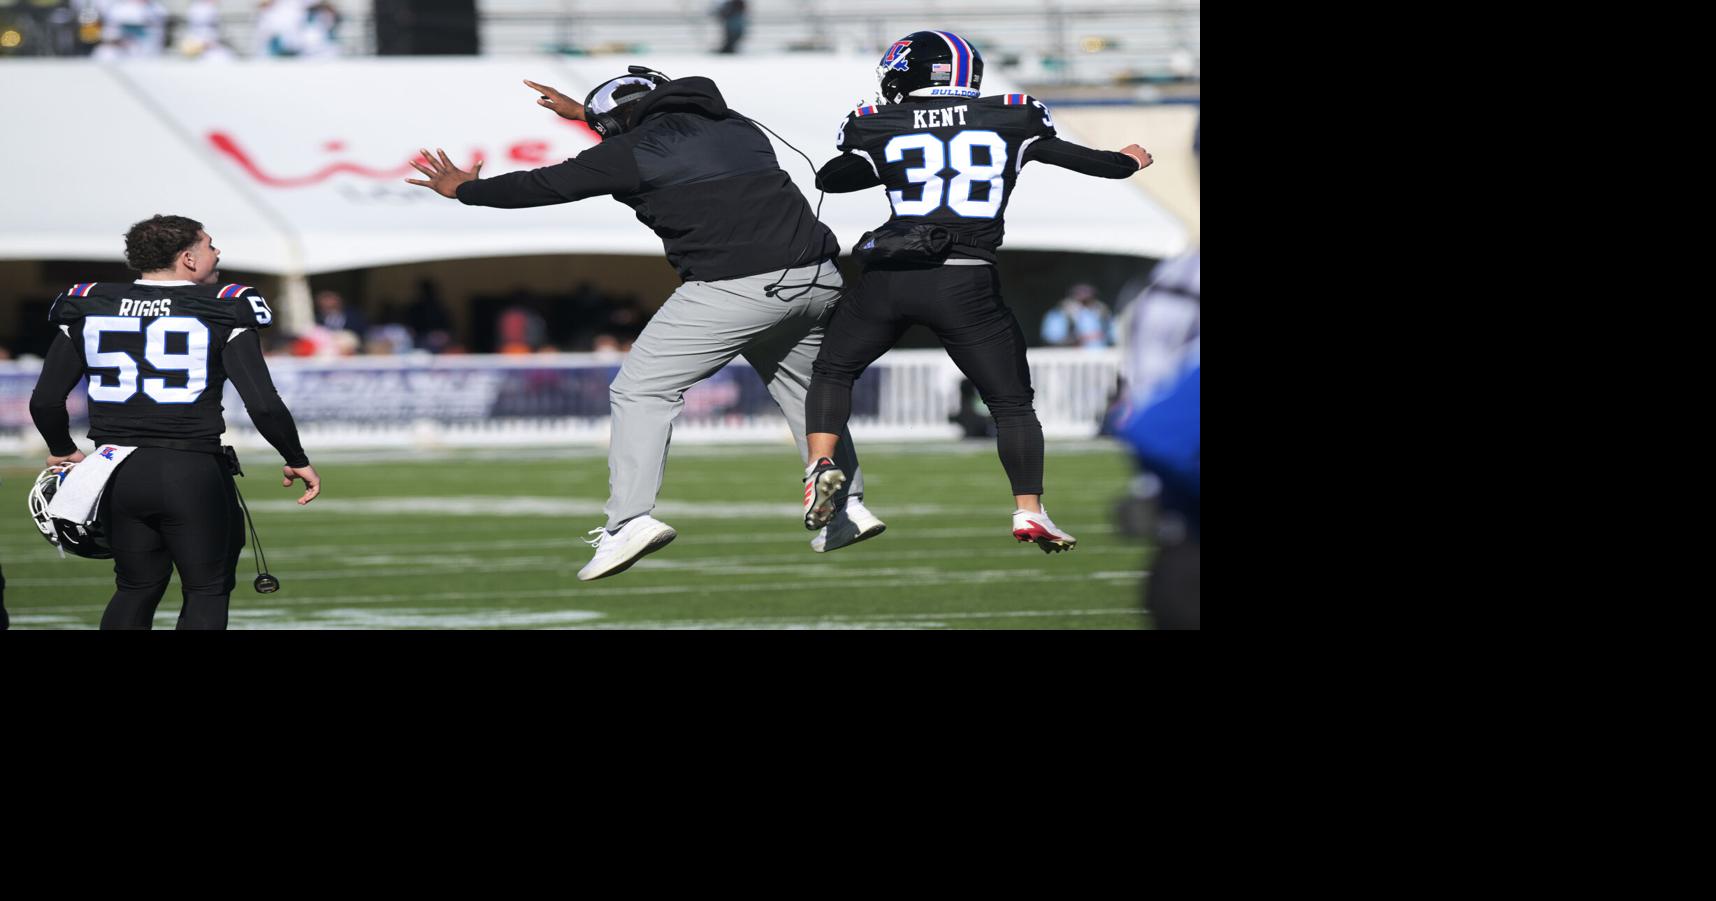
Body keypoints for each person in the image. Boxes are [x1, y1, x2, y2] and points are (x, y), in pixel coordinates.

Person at [406, 67, 882, 580]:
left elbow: (544, 184)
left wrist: (466, 191)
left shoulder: (627, 152)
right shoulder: (741, 127)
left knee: (641, 392)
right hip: (818, 279)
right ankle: (848, 507)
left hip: (734, 286)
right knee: (809, 392)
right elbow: (654, 124)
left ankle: (629, 520)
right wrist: (588, 115)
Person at [800, 30, 1153, 552]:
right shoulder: (1013, 118)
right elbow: (1100, 165)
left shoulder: (880, 125)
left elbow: (832, 178)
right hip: (965, 278)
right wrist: (1129, 159)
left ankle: (820, 462)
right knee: (1011, 405)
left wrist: (879, 154)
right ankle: (1029, 511)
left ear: (911, 73)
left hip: (890, 277)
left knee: (833, 370)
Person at [28, 215, 321, 630]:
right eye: (209, 244)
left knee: (135, 587)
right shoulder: (224, 304)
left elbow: (44, 401)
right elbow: (265, 405)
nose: (216, 252)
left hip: (114, 469)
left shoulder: (89, 301)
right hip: (190, 468)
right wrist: (295, 456)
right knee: (206, 589)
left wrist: (61, 448)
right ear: (188, 258)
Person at [1040, 283, 1113, 349]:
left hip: (1102, 358)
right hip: (1070, 358)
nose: (1084, 293)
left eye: (1087, 290)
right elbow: (1051, 339)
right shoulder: (1060, 314)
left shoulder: (1103, 312)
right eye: (1080, 291)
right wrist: (1078, 339)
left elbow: (1114, 336)